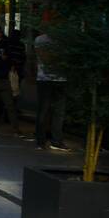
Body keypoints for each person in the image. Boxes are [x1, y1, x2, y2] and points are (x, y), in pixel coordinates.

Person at [34, 20, 68, 151]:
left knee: (58, 111)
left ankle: (55, 140)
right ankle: (41, 140)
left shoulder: (63, 40)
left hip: (59, 79)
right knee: (45, 110)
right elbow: (46, 58)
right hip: (46, 79)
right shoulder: (41, 40)